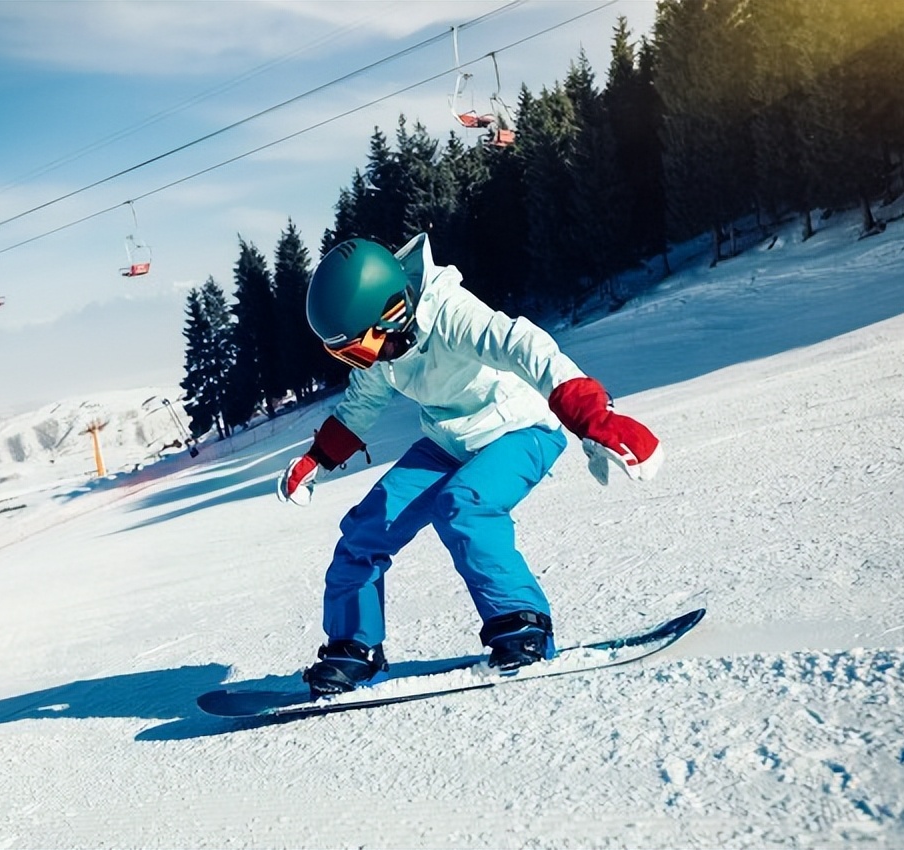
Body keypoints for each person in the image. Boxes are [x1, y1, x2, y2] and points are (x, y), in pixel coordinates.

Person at [276, 235, 664, 698]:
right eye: (345, 355)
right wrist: (317, 457)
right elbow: (363, 401)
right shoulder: (380, 347)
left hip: (521, 429)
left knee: (464, 505)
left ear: (392, 313)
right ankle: (353, 649)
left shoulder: (451, 314)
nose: (361, 361)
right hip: (449, 439)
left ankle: (521, 626)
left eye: (357, 351)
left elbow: (525, 346)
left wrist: (590, 414)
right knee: (364, 529)